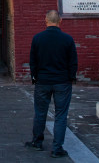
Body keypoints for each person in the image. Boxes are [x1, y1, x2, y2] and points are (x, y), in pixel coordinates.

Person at [25, 10, 77, 159]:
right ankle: (57, 148)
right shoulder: (67, 39)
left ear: (45, 20)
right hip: (62, 82)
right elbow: (73, 62)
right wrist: (70, 78)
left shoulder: (38, 38)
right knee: (61, 115)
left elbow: (33, 61)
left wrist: (35, 77)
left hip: (43, 81)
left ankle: (37, 142)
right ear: (60, 20)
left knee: (40, 112)